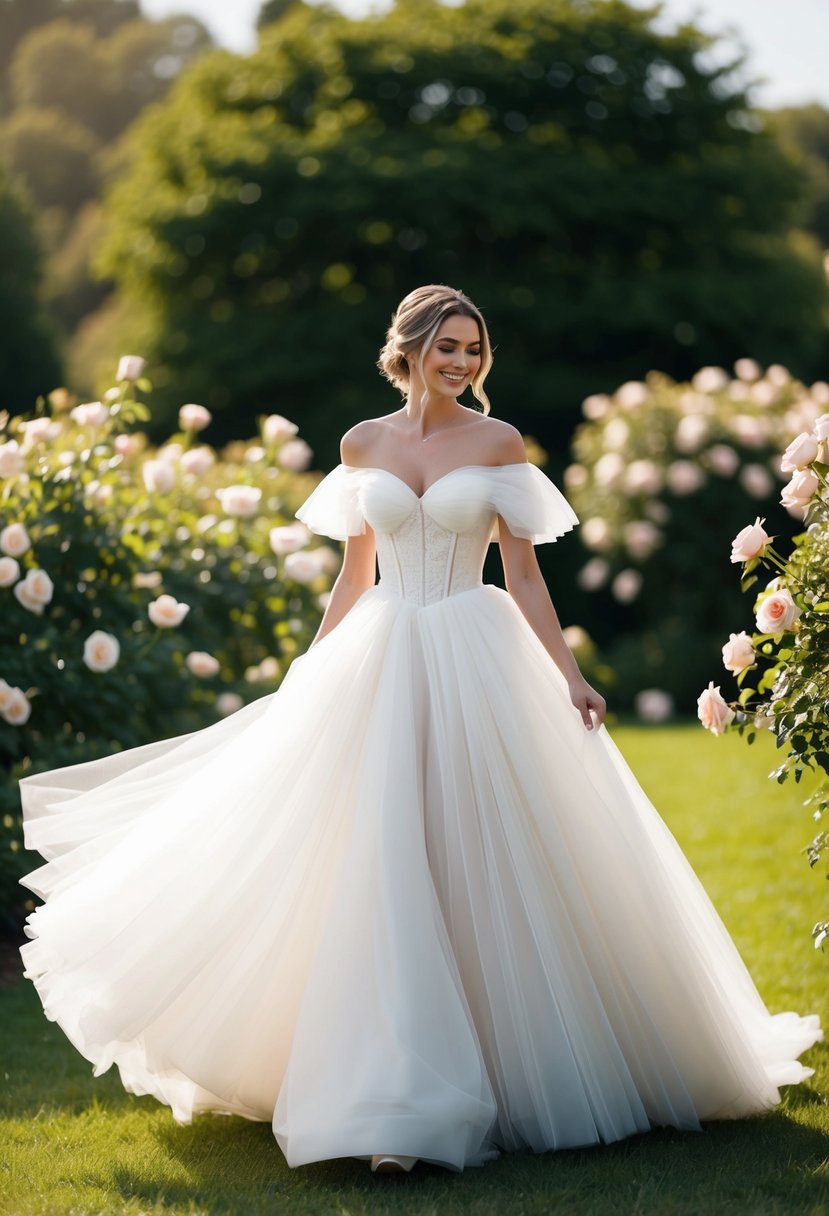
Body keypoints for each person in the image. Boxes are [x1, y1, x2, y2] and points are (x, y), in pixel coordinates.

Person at [17, 284, 822, 1178]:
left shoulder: (497, 443)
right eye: (448, 346)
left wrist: (571, 674)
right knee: (368, 855)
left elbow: (521, 576)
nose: (463, 362)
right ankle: (375, 1076)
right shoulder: (363, 443)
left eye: (473, 348)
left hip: (473, 653)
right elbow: (354, 572)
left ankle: (499, 1065)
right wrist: (310, 670)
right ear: (407, 349)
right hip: (378, 654)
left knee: (479, 849)